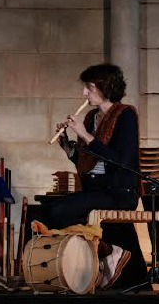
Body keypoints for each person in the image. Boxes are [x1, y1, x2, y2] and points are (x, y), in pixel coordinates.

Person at [49, 63, 139, 289]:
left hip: (118, 192)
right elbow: (85, 161)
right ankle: (108, 255)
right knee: (52, 208)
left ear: (105, 87)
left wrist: (86, 136)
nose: (84, 93)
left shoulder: (125, 115)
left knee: (59, 211)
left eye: (89, 87)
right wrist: (67, 145)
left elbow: (120, 161)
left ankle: (104, 254)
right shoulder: (91, 118)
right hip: (95, 189)